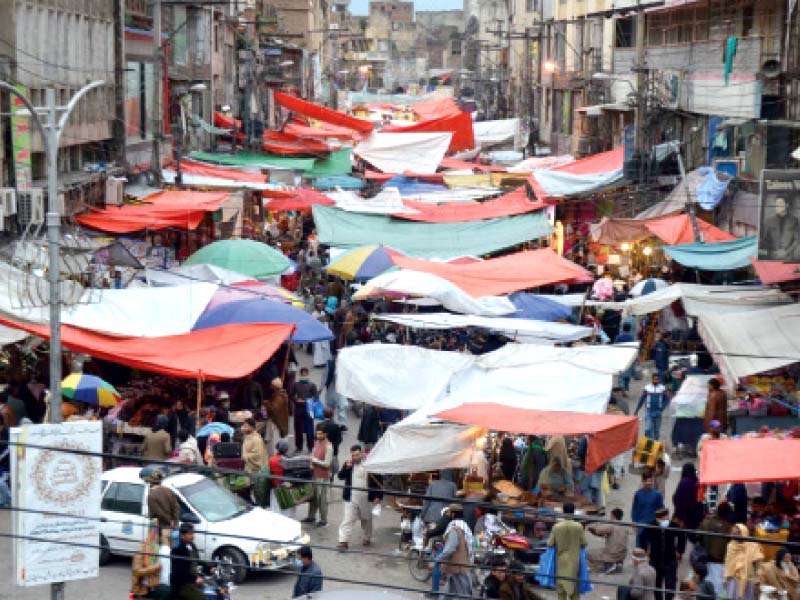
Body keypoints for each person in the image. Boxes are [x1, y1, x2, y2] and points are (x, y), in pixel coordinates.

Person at [337, 444, 381, 549]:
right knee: (348, 519)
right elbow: (340, 476)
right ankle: (343, 541)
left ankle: (367, 537)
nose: (355, 457)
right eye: (353, 455)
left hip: (366, 497)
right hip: (351, 497)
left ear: (361, 453)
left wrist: (378, 496)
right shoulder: (348, 464)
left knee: (367, 519)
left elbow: (379, 480)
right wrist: (346, 468)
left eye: (357, 455)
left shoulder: (370, 464)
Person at [640, 507, 686, 600]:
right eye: (659, 519)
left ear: (666, 516)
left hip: (670, 559)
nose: (661, 521)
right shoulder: (652, 525)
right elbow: (642, 537)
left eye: (662, 518)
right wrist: (646, 550)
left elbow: (682, 537)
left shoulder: (673, 526)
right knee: (657, 584)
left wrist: (679, 551)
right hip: (655, 560)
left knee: (670, 584)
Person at [547, 502, 587, 600]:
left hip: (561, 563)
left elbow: (550, 543)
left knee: (561, 593)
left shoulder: (557, 527)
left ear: (563, 512)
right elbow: (584, 543)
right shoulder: (578, 526)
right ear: (573, 512)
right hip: (574, 564)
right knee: (575, 593)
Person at [438, 504, 474, 597]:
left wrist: (438, 558)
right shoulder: (464, 526)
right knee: (448, 591)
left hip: (457, 567)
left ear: (452, 515)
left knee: (464, 594)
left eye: (449, 513)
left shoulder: (455, 528)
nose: (447, 515)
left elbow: (450, 549)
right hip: (459, 565)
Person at [699, 502, 735, 593]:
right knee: (718, 589)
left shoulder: (707, 521)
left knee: (707, 586)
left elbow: (697, 536)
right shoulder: (728, 527)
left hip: (706, 560)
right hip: (720, 562)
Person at [723, 523, 763, 600]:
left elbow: (758, 565)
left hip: (748, 579)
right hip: (733, 578)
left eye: (737, 533)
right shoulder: (730, 546)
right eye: (733, 533)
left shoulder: (753, 546)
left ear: (743, 533)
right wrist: (725, 578)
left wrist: (757, 580)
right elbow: (727, 563)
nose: (733, 536)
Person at [303, 424, 332, 527]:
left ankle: (324, 520)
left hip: (322, 476)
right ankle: (311, 516)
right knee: (313, 497)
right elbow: (313, 454)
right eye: (317, 433)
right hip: (314, 474)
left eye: (320, 433)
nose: (318, 435)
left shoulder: (328, 446)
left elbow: (327, 464)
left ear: (325, 434)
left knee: (322, 499)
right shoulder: (317, 442)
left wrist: (313, 460)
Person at [587, 508, 629, 574]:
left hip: (612, 554)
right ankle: (617, 563)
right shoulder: (625, 526)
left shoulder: (611, 525)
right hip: (622, 554)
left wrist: (590, 527)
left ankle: (609, 565)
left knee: (587, 554)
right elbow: (603, 534)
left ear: (613, 515)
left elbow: (598, 530)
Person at [131, 529, 170, 600]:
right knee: (165, 591)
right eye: (152, 535)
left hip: (156, 585)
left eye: (157, 536)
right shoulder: (142, 550)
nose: (154, 538)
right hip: (143, 588)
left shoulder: (161, 549)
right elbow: (136, 571)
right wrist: (155, 568)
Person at [144, 470, 180, 546]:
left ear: (150, 482)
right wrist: (175, 522)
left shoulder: (151, 496)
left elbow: (158, 513)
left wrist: (149, 515)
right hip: (173, 530)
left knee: (164, 554)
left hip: (162, 530)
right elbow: (176, 507)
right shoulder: (168, 490)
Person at [760, 194, 800, 261]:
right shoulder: (768, 221)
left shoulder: (794, 220)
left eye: (780, 203)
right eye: (776, 204)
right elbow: (764, 240)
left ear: (787, 205)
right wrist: (772, 252)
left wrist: (786, 252)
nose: (777, 206)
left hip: (788, 258)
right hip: (772, 258)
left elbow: (797, 240)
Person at [170, 523, 203, 600]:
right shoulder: (178, 550)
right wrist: (194, 579)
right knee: (201, 597)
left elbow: (198, 561)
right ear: (182, 536)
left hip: (193, 580)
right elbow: (180, 573)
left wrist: (210, 567)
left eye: (193, 533)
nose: (193, 536)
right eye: (190, 534)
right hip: (183, 585)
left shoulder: (191, 545)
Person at [631, 473, 664, 547]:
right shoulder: (638, 494)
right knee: (639, 547)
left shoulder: (657, 495)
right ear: (643, 481)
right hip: (641, 524)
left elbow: (661, 510)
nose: (649, 483)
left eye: (651, 481)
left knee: (651, 546)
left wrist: (661, 524)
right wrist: (634, 522)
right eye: (647, 481)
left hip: (653, 525)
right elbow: (634, 509)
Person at [636, 373, 669, 440]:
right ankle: (647, 442)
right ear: (652, 379)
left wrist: (662, 408)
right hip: (649, 411)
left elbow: (667, 399)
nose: (655, 381)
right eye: (654, 379)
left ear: (659, 380)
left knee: (656, 431)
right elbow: (642, 399)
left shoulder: (662, 388)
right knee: (648, 428)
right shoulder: (647, 388)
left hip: (658, 412)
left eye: (657, 379)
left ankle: (655, 445)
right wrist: (636, 410)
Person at [292, 368, 318, 453]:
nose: (304, 376)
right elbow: (291, 395)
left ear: (308, 374)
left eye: (305, 374)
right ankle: (299, 447)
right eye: (303, 374)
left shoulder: (312, 385)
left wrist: (309, 401)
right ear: (300, 375)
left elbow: (316, 397)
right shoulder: (296, 385)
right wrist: (296, 400)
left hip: (308, 411)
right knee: (298, 430)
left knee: (309, 430)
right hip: (298, 411)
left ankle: (310, 447)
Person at [672, 464, 704, 532]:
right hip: (695, 516)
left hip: (684, 517)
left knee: (682, 536)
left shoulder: (684, 482)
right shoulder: (696, 481)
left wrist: (680, 516)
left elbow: (677, 498)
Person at [268, 440, 295, 518]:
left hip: (275, 487)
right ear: (286, 449)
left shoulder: (272, 459)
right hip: (287, 488)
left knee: (276, 509)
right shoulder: (290, 460)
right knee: (288, 512)